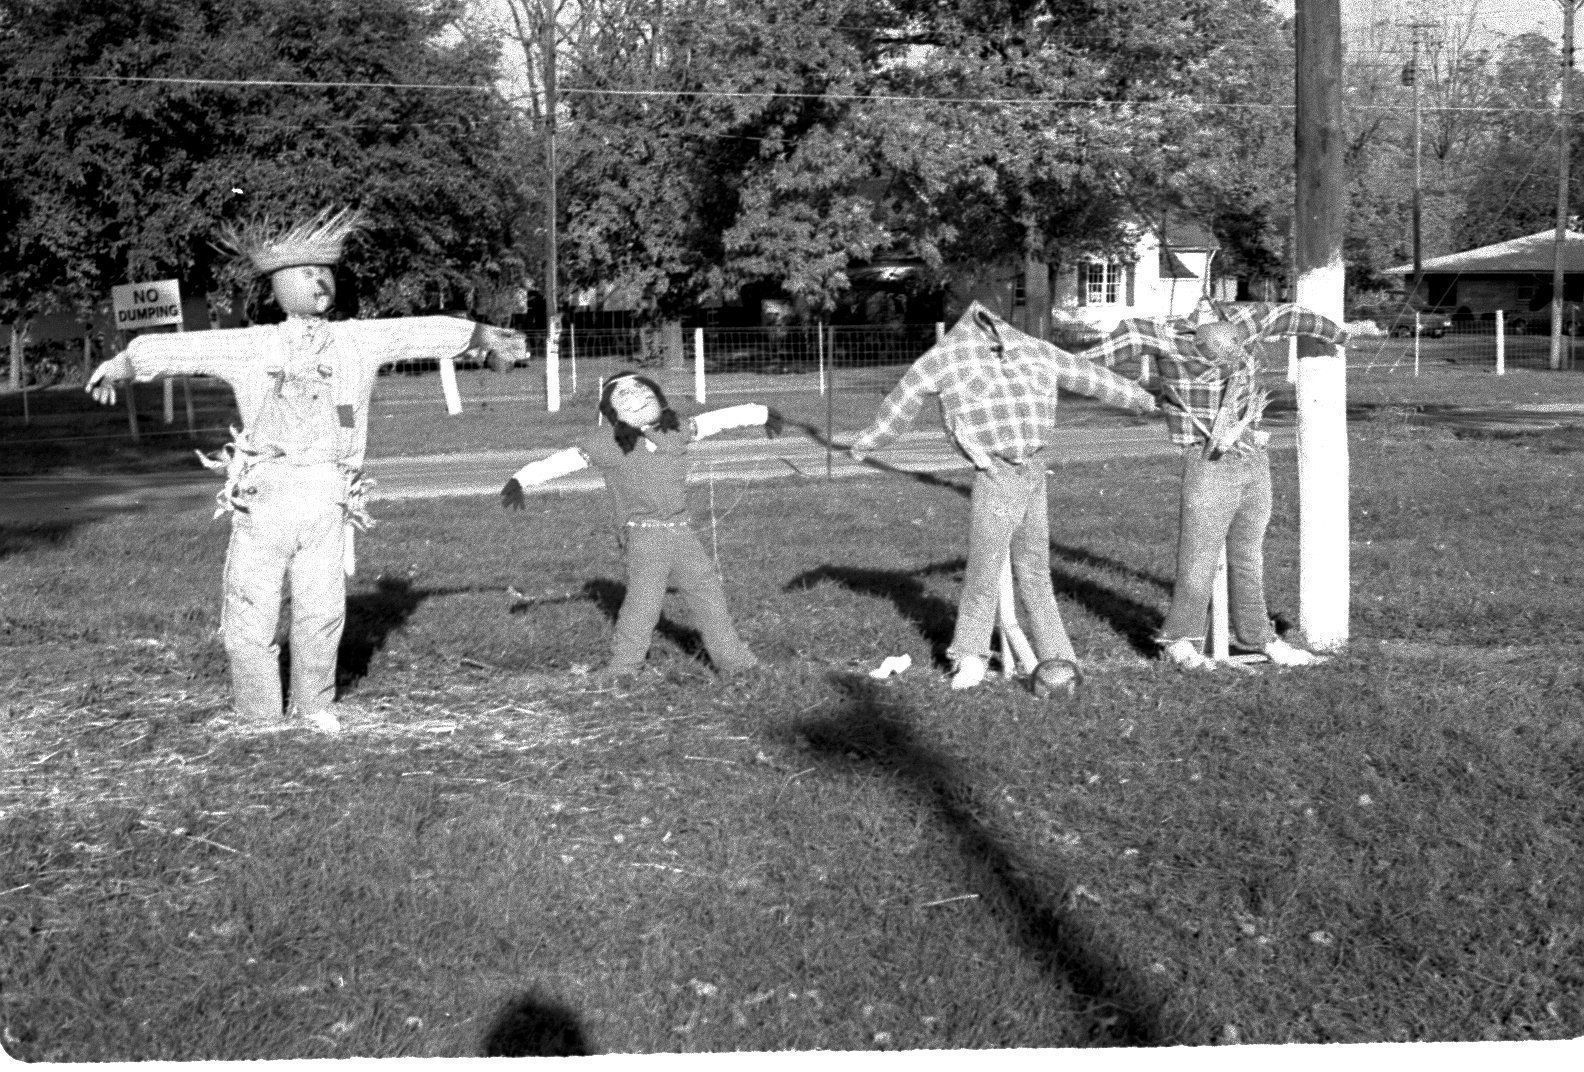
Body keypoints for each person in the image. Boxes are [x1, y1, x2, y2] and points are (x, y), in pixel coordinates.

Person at [85, 207, 523, 733]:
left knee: (322, 609)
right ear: (279, 286)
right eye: (306, 274)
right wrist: (123, 364)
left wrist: (481, 335)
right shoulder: (252, 345)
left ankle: (313, 704)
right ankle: (257, 711)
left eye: (325, 273)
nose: (319, 283)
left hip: (328, 496)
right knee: (251, 608)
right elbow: (180, 347)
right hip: (264, 497)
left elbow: (418, 332)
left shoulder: (356, 341)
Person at [846, 302, 1158, 695]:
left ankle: (1059, 658)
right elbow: (904, 398)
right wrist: (868, 442)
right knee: (986, 569)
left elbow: (1087, 375)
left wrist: (1141, 398)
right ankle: (970, 656)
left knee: (1033, 569)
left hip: (1033, 470)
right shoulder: (948, 358)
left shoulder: (1033, 350)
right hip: (994, 472)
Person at [1081, 301, 1348, 671]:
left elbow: (1289, 316)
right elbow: (1088, 362)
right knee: (1198, 558)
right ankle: (1180, 641)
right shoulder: (1160, 334)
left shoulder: (1245, 322)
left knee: (1248, 557)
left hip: (1253, 456)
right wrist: (1136, 397)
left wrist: (1339, 334)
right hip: (1207, 460)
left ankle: (1259, 637)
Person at [501, 371, 781, 680]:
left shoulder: (675, 430)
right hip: (644, 537)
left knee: (708, 595)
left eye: (642, 390)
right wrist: (521, 479)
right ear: (611, 410)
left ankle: (736, 663)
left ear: (658, 398)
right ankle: (624, 668)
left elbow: (716, 420)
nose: (636, 396)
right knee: (644, 603)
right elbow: (565, 461)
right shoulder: (607, 444)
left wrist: (761, 413)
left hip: (682, 532)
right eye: (623, 395)